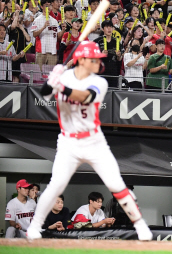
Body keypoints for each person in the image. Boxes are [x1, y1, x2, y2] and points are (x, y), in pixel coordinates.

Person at [26, 41, 152, 240]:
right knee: (55, 185)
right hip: (68, 142)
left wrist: (61, 86)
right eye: (93, 59)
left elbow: (86, 97)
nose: (97, 63)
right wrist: (51, 78)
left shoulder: (99, 82)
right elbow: (43, 93)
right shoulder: (65, 76)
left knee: (116, 184)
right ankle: (34, 227)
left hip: (94, 141)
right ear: (81, 60)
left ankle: (140, 224)